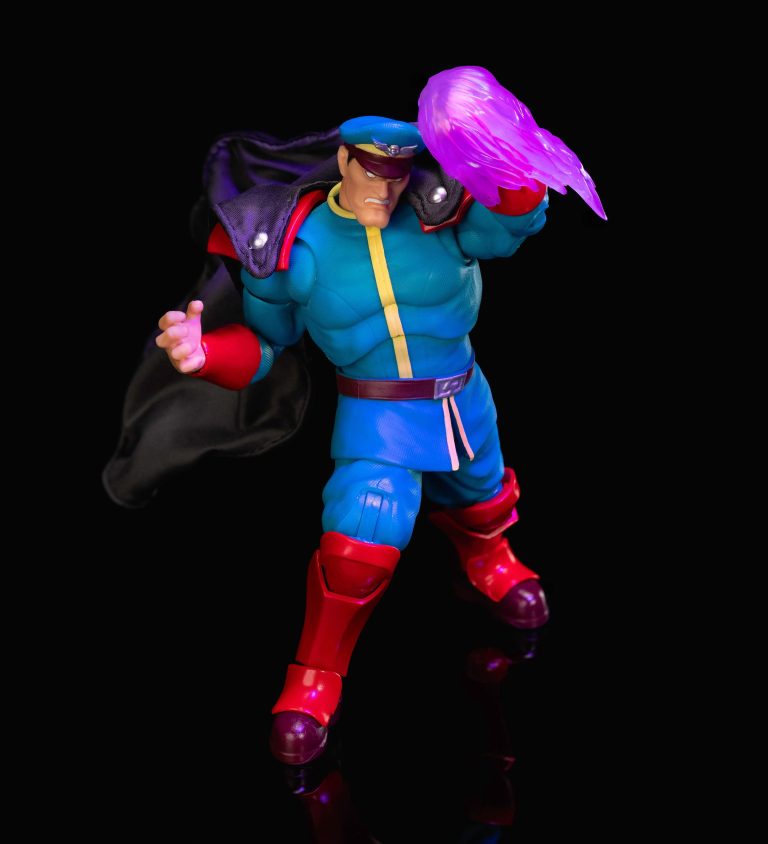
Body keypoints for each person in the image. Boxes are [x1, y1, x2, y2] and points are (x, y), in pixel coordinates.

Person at [152, 68, 605, 765]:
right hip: (377, 415)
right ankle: (314, 676)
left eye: (399, 176)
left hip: (464, 395)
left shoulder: (438, 213)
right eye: (373, 173)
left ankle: (489, 558)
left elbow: (514, 221)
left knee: (482, 493)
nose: (387, 189)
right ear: (343, 162)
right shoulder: (291, 245)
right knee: (359, 544)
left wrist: (504, 147)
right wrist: (205, 351)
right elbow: (267, 346)